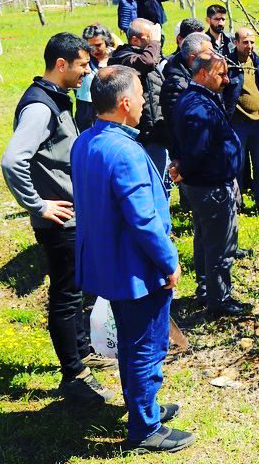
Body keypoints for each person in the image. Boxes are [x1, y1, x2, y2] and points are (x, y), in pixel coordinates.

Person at [71, 65, 194, 453]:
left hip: (108, 264)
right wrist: (168, 261)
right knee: (147, 346)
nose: (146, 101)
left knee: (131, 342)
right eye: (141, 95)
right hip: (136, 269)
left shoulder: (86, 141)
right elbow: (142, 221)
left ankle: (145, 407)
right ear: (124, 103)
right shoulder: (124, 151)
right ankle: (145, 428)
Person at [1, 32, 115, 404]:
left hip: (73, 218)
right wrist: (38, 205)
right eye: (83, 64)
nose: (88, 70)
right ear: (61, 65)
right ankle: (74, 375)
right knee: (65, 296)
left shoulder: (56, 99)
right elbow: (13, 160)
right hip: (59, 222)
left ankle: (82, 352)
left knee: (75, 291)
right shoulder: (40, 107)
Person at [171, 52, 252, 318]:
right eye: (221, 74)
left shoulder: (200, 98)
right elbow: (197, 150)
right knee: (219, 244)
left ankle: (207, 289)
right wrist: (184, 170)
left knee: (206, 238)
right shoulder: (197, 105)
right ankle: (220, 300)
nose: (226, 79)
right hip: (211, 187)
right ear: (202, 74)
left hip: (206, 184)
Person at [109, 19, 169, 182]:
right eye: (149, 37)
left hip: (157, 132)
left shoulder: (146, 54)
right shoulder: (123, 57)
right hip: (139, 135)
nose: (154, 42)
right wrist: (155, 42)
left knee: (162, 181)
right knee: (146, 181)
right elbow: (146, 63)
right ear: (135, 40)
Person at [223, 28, 259, 212]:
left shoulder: (258, 62)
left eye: (252, 42)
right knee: (238, 166)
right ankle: (238, 204)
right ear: (236, 43)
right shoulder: (228, 64)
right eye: (245, 42)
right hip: (238, 124)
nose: (249, 46)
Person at [75, 23, 115, 132]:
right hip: (86, 107)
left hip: (110, 106)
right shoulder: (81, 58)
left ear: (106, 42)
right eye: (90, 46)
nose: (94, 50)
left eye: (98, 45)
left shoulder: (116, 57)